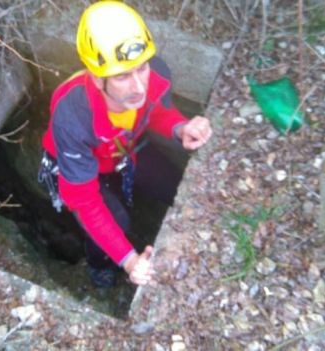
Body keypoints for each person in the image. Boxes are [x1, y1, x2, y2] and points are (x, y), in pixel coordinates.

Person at [38, 1, 212, 288]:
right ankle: (98, 266)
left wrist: (181, 128)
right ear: (97, 78)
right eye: (121, 76)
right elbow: (84, 199)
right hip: (76, 166)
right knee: (117, 222)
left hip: (122, 149)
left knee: (173, 183)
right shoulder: (73, 117)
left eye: (140, 69)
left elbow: (155, 111)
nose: (139, 87)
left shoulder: (154, 73)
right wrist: (129, 259)